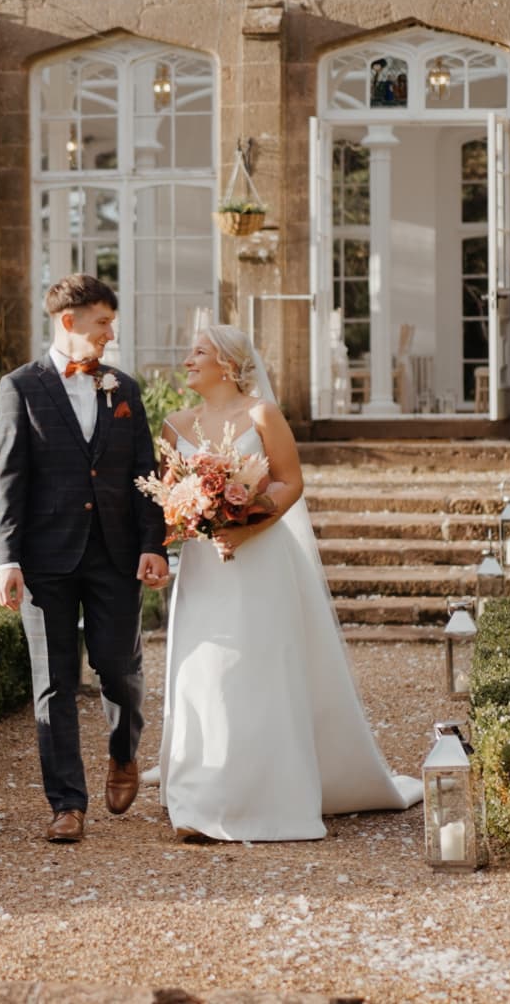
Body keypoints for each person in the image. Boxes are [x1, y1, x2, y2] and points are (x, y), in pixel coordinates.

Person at [155, 324, 423, 842]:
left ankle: (269, 794)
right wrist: (188, 518)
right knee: (203, 673)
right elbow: (166, 499)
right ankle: (199, 798)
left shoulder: (261, 415)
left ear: (228, 365)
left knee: (259, 668)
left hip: (259, 560)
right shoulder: (174, 425)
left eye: (199, 352)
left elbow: (289, 480)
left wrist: (245, 524)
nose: (187, 359)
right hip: (204, 567)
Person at [0, 274, 171, 844]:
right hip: (46, 559)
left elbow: (146, 472)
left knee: (120, 669)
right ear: (69, 323)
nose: (110, 333)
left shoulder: (125, 390)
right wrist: (7, 559)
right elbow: (9, 480)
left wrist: (153, 543)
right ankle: (67, 804)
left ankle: (124, 753)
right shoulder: (20, 387)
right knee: (54, 682)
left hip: (116, 554)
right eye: (102, 323)